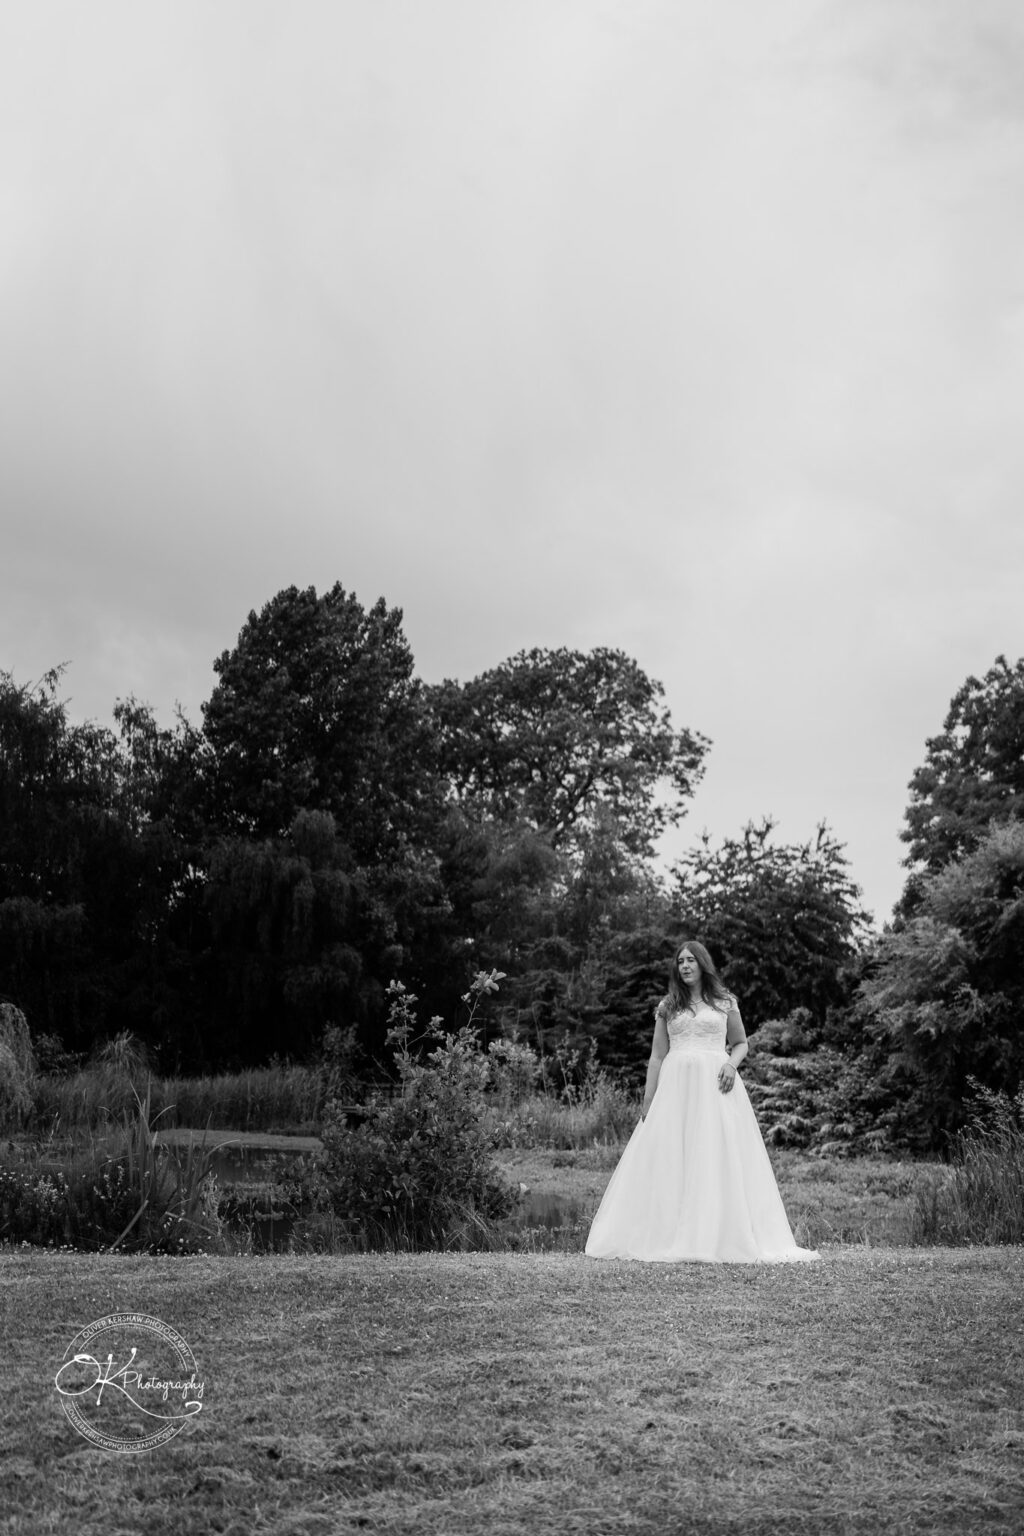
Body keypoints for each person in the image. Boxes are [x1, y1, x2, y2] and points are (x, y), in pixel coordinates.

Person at [585, 939, 818, 1263]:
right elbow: (657, 1056)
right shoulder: (668, 1006)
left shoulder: (724, 1002)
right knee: (672, 1157)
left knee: (714, 1154)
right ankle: (668, 1232)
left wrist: (730, 1065)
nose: (684, 966)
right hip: (675, 1091)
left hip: (715, 1087)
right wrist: (648, 1099)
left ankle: (718, 1232)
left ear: (703, 964)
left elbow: (740, 1043)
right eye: (680, 961)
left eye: (691, 960)